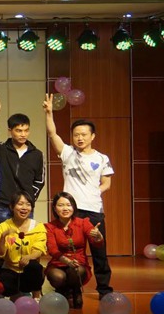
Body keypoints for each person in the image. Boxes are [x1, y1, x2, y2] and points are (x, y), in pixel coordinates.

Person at [43, 95, 115, 297]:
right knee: (70, 250)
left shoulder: (102, 158)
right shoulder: (67, 153)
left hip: (94, 211)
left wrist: (95, 191)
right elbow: (52, 133)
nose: (80, 138)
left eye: (84, 134)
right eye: (76, 135)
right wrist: (49, 113)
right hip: (71, 213)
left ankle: (104, 288)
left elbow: (107, 183)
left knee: (99, 252)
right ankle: (70, 286)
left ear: (92, 136)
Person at [0, 95, 45, 225]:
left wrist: (29, 198)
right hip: (4, 204)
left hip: (26, 206)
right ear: (10, 131)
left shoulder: (37, 154)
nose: (23, 134)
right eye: (19, 131)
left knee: (26, 237)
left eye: (26, 130)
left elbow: (39, 181)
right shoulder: (2, 150)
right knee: (2, 236)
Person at [44, 192, 104, 309]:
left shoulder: (83, 223)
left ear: (74, 207)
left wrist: (98, 237)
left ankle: (76, 290)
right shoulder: (49, 226)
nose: (65, 208)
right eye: (61, 205)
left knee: (76, 271)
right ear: (55, 208)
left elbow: (96, 243)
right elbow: (52, 250)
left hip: (78, 263)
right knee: (57, 276)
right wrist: (67, 261)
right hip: (58, 263)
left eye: (68, 205)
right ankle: (63, 292)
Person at [0, 190, 47, 299]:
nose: (24, 208)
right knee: (5, 284)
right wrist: (3, 237)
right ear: (12, 207)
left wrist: (29, 257)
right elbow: (0, 254)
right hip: (10, 268)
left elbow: (39, 250)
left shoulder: (38, 227)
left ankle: (36, 297)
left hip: (28, 269)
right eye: (20, 204)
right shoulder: (2, 227)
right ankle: (13, 295)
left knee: (35, 267)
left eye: (28, 204)